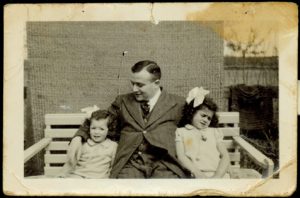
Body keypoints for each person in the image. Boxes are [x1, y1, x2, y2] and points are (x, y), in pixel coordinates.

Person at [68, 60, 192, 178]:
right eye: (132, 83)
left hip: (165, 164)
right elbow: (102, 119)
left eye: (140, 85)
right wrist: (79, 137)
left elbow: (201, 127)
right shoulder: (122, 101)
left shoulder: (178, 104)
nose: (134, 89)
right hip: (130, 164)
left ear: (156, 83)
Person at [175, 87, 230, 178]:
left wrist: (218, 176)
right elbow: (181, 156)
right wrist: (197, 173)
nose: (205, 120)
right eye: (203, 115)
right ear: (192, 112)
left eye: (209, 118)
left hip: (217, 174)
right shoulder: (181, 132)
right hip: (194, 175)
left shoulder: (214, 132)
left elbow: (225, 156)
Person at [58, 110, 118, 178]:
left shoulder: (112, 146)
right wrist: (62, 174)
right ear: (89, 129)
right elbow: (71, 163)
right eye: (93, 128)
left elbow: (113, 167)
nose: (96, 132)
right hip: (79, 176)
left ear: (108, 130)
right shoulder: (83, 144)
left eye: (101, 129)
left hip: (98, 179)